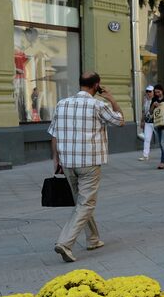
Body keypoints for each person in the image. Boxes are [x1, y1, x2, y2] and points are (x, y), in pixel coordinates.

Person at [49, 72, 124, 262]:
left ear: (80, 83)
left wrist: (55, 159)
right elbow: (120, 120)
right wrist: (111, 98)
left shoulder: (62, 104)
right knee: (86, 203)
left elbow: (54, 133)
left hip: (67, 162)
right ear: (96, 85)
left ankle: (93, 239)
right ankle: (65, 243)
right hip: (89, 163)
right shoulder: (98, 105)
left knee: (81, 202)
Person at [138, 85, 155, 161]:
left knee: (161, 139)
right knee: (147, 139)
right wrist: (142, 121)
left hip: (156, 122)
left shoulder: (155, 101)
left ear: (153, 92)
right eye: (147, 91)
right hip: (148, 122)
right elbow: (144, 112)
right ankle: (145, 155)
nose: (148, 93)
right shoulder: (146, 101)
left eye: (150, 91)